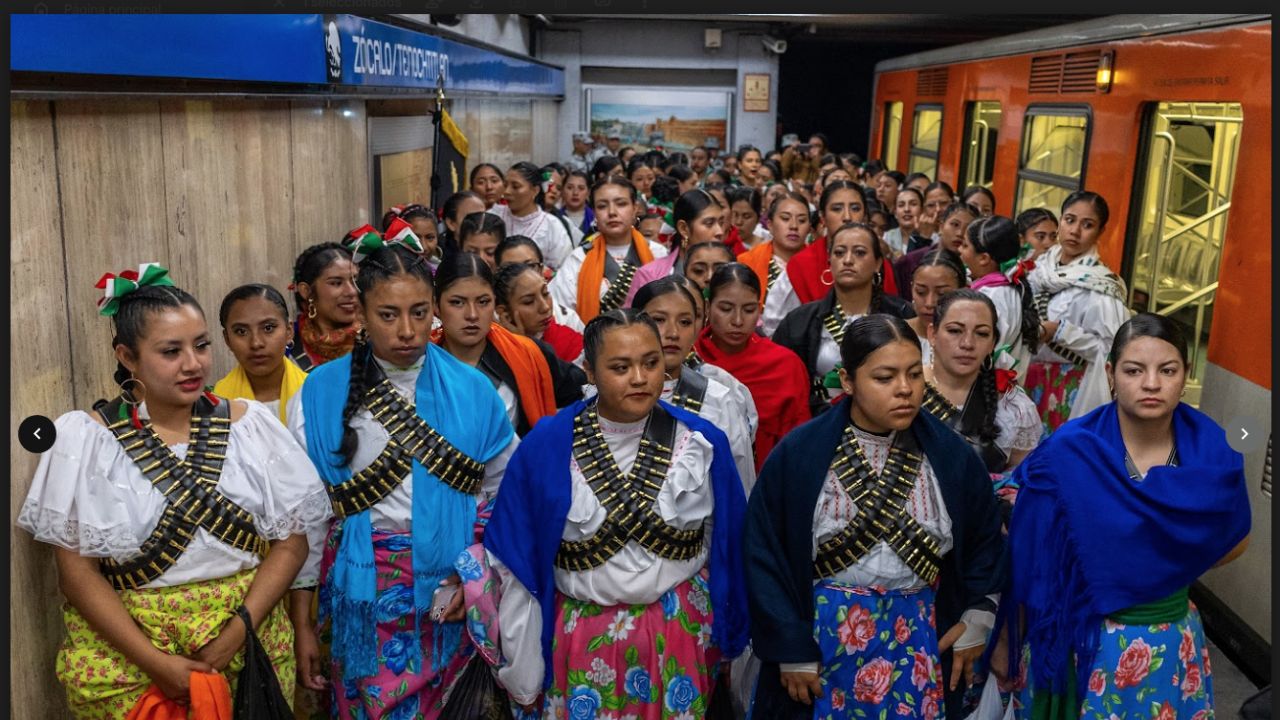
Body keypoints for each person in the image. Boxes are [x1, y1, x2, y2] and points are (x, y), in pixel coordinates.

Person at [18, 263, 326, 718]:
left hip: (248, 643)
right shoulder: (86, 440)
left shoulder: (250, 426)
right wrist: (157, 663)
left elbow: (290, 543)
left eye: (201, 345)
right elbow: (77, 575)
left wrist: (233, 637)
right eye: (170, 351)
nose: (193, 363)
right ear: (127, 356)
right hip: (130, 659)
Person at [287, 235, 519, 719]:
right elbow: (305, 519)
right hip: (360, 595)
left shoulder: (478, 392)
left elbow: (505, 493)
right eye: (388, 315)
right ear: (362, 314)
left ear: (433, 307)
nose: (407, 330)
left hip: (452, 593)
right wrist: (303, 622)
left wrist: (472, 571)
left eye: (419, 311)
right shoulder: (317, 395)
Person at [484, 309, 750, 718]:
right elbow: (517, 560)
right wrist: (524, 667)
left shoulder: (702, 441)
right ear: (588, 371)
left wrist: (729, 632)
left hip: (680, 635)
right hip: (580, 638)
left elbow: (728, 545)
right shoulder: (547, 445)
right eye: (620, 367)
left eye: (651, 362)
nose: (640, 378)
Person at [744, 313, 1005, 720]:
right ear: (848, 381)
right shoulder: (800, 455)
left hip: (919, 638)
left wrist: (978, 614)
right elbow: (764, 552)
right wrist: (789, 646)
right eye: (884, 377)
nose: (905, 390)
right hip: (820, 639)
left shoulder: (952, 457)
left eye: (915, 375)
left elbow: (985, 539)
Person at [996, 313, 1250, 720]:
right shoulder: (1069, 451)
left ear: (1186, 374)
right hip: (1078, 645)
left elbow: (1235, 539)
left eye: (1167, 370)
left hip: (1168, 645)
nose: (1151, 383)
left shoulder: (1213, 455)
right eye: (1134, 370)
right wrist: (1009, 639)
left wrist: (1155, 563)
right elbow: (1030, 557)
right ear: (1112, 374)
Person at [433, 252, 585, 436]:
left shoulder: (528, 353)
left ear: (495, 305)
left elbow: (581, 393)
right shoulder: (421, 362)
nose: (472, 314)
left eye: (483, 302)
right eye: (457, 302)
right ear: (435, 305)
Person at [774, 222, 916, 417]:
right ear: (829, 262)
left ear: (877, 263)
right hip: (820, 422)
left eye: (859, 253)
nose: (848, 260)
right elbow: (786, 386)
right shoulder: (799, 322)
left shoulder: (901, 314)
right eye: (839, 253)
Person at [631, 277, 759, 490]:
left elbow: (739, 485)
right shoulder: (604, 395)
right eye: (659, 320)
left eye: (685, 322)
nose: (673, 333)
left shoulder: (719, 399)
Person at [1025, 191, 1131, 435]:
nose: (1075, 231)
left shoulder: (1102, 286)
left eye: (1088, 225)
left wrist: (1060, 332)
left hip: (1071, 389)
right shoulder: (1039, 269)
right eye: (1069, 220)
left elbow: (1112, 348)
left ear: (1100, 232)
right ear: (1060, 221)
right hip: (1026, 379)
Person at [694, 263, 810, 472]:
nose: (737, 320)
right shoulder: (691, 360)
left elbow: (799, 442)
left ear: (760, 309)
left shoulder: (784, 365)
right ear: (707, 307)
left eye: (748, 310)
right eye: (726, 309)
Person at [923, 289, 1041, 474]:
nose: (967, 343)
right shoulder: (906, 388)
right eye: (955, 331)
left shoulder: (1014, 408)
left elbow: (1020, 480)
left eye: (982, 333)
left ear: (993, 342)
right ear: (932, 334)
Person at [763, 181, 901, 336]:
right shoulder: (801, 265)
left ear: (865, 216)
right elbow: (775, 330)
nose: (847, 217)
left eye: (855, 208)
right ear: (822, 217)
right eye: (837, 209)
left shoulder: (880, 264)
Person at [550, 176, 667, 324]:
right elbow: (560, 313)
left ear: (635, 209)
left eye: (621, 204)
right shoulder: (579, 259)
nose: (612, 212)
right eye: (602, 206)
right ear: (594, 213)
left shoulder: (658, 254)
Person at [958, 215, 1041, 384]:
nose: (960, 250)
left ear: (984, 258)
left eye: (965, 245)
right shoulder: (1011, 288)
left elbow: (983, 354)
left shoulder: (989, 297)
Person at [215, 283, 308, 424]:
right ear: (227, 339)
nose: (256, 343)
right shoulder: (217, 405)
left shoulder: (315, 395)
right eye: (241, 331)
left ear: (289, 331)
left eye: (268, 328)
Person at [622, 188, 722, 306]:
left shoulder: (731, 272)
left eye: (721, 223)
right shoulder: (650, 276)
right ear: (684, 229)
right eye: (709, 223)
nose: (719, 231)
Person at [289, 239, 360, 372]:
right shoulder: (286, 346)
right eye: (336, 283)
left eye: (355, 281)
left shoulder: (379, 340)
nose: (351, 291)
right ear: (306, 291)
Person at [495, 260, 584, 365]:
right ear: (504, 312)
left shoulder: (570, 342)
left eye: (545, 293)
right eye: (529, 302)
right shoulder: (492, 351)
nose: (545, 307)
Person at [490, 162, 575, 271]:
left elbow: (565, 270)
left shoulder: (552, 226)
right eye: (505, 185)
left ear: (535, 190)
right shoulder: (494, 215)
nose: (507, 192)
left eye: (515, 186)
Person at [736, 190, 812, 305]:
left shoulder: (820, 265)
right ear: (770, 225)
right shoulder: (747, 262)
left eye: (801, 220)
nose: (794, 226)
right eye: (785, 218)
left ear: (809, 229)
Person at [894, 200, 979, 301]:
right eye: (955, 224)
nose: (960, 233)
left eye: (968, 228)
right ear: (941, 226)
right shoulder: (910, 261)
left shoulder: (976, 267)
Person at [906, 248, 967, 367]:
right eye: (921, 292)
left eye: (942, 294)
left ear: (962, 292)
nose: (929, 303)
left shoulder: (969, 342)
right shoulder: (895, 335)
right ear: (912, 288)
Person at [381, 203, 442, 271]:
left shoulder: (441, 270)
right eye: (414, 237)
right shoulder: (387, 272)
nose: (423, 247)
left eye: (430, 238)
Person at [882, 187, 927, 259]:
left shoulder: (933, 238)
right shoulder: (887, 237)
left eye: (913, 204)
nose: (907, 209)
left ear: (922, 210)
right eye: (901, 205)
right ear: (895, 213)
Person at [440, 190, 487, 257]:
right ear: (451, 223)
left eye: (483, 217)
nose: (480, 223)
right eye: (472, 218)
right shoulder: (441, 259)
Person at [558, 169, 595, 237]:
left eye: (581, 188)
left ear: (588, 192)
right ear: (562, 190)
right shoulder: (555, 219)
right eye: (570, 188)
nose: (575, 193)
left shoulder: (596, 219)